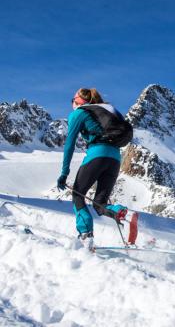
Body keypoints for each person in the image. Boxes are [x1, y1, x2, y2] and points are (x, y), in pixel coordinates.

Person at [57, 88, 136, 251]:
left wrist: (64, 173)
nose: (72, 103)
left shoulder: (79, 113)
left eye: (73, 100)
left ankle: (86, 236)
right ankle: (124, 214)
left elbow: (69, 144)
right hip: (115, 158)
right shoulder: (106, 111)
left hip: (97, 154)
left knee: (78, 195)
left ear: (79, 101)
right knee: (100, 204)